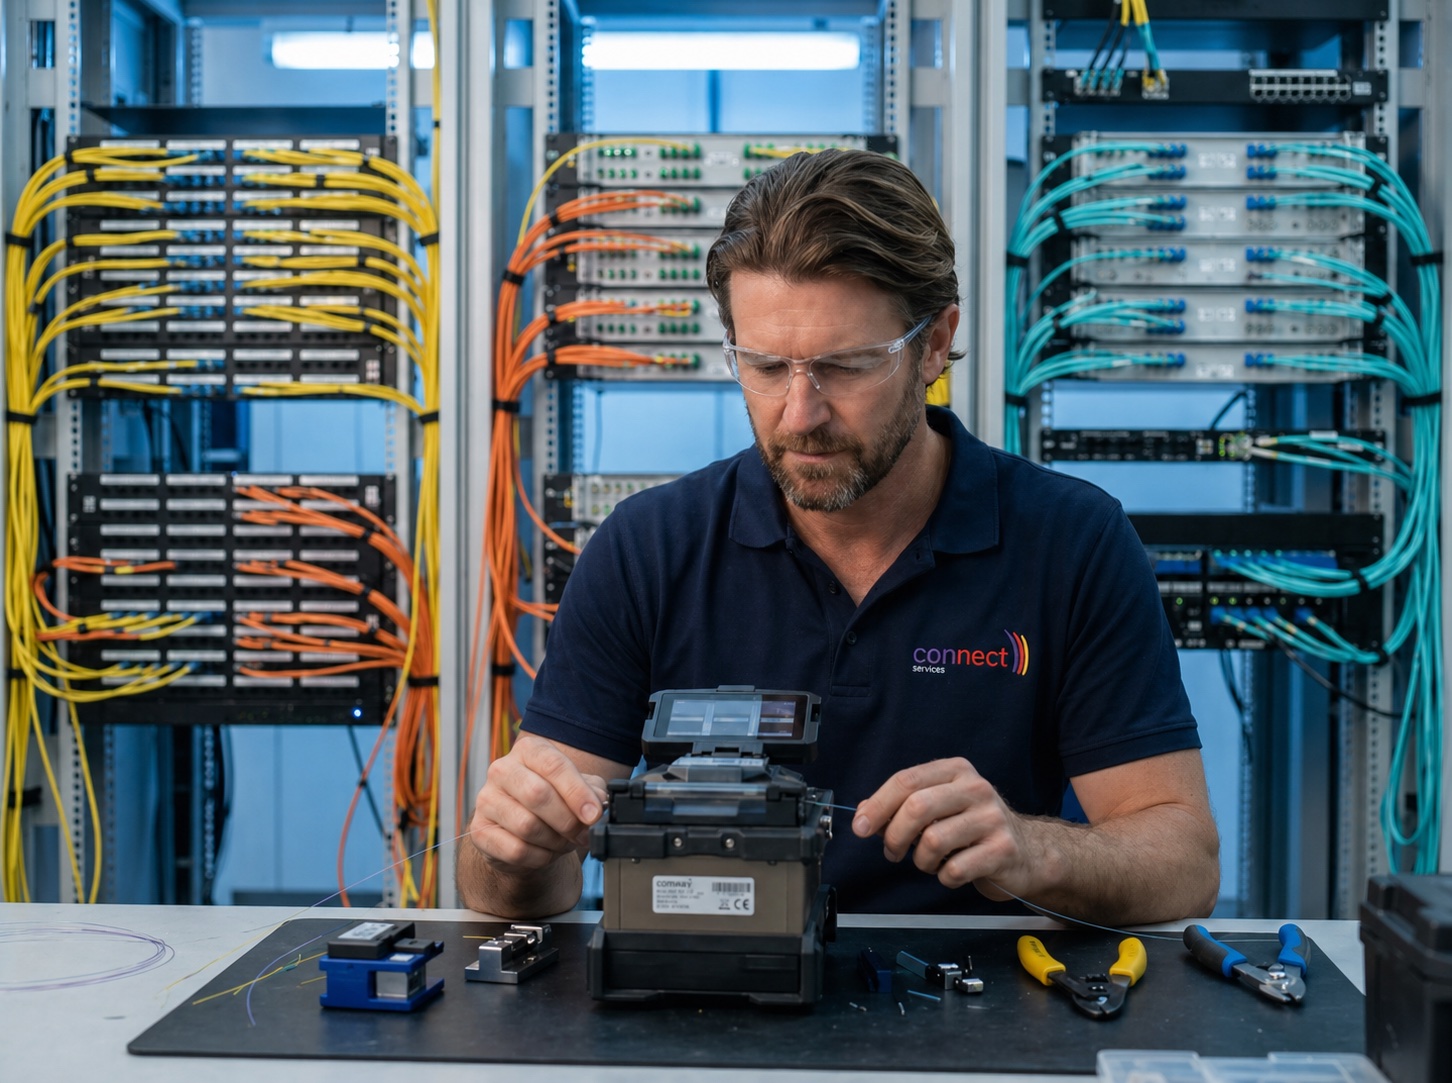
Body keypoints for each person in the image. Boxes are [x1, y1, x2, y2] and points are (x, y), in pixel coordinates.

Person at [458, 148, 1220, 923]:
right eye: (763, 366)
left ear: (933, 344)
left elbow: (1183, 858)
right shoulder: (647, 550)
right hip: (701, 1003)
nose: (800, 414)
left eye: (846, 366)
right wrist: (511, 849)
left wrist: (1035, 848)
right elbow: (514, 889)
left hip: (977, 1014)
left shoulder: (1072, 543)